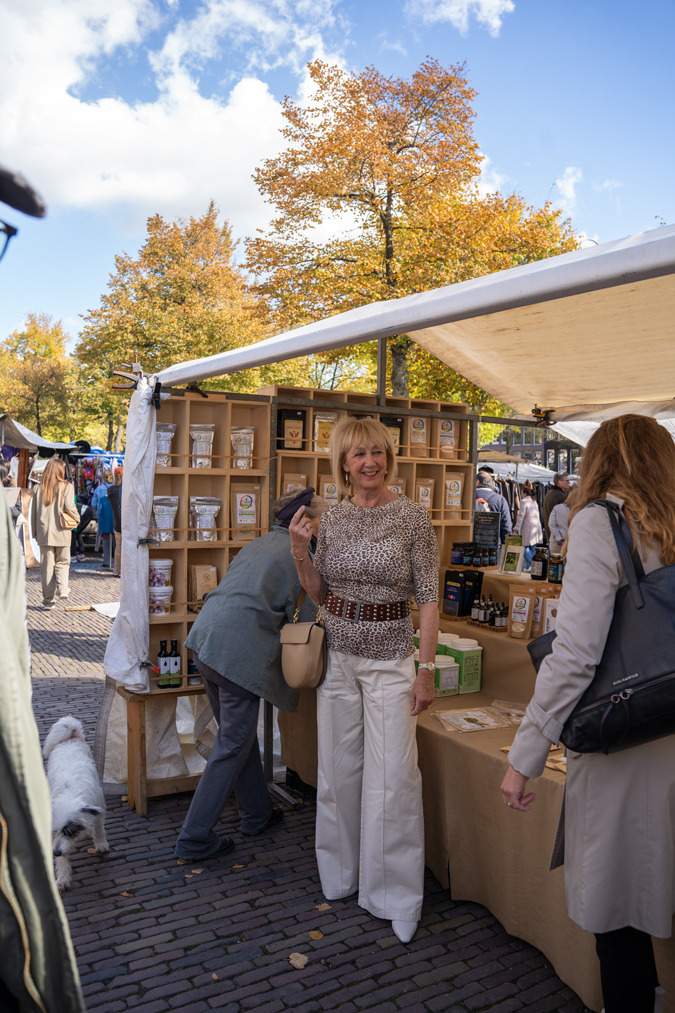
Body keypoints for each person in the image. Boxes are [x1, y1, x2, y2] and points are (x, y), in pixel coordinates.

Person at [500, 415, 675, 1013]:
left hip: (627, 738)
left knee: (620, 912)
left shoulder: (601, 522)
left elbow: (575, 653)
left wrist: (524, 755)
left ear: (601, 460)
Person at [289, 417, 439, 944]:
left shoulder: (413, 518)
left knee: (394, 778)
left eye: (376, 452)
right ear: (343, 464)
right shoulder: (331, 518)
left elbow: (429, 598)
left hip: (392, 659)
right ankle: (342, 875)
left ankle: (395, 895)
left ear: (388, 458)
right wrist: (301, 552)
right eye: (357, 455)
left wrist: (426, 670)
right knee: (337, 771)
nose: (368, 462)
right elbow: (318, 594)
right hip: (339, 659)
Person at [175, 488, 326, 861]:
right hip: (235, 655)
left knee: (237, 739)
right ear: (305, 523)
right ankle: (194, 838)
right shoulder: (299, 555)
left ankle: (256, 813)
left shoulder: (259, 543)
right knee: (233, 744)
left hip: (206, 643)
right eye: (324, 521)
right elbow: (311, 621)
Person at [31, 457, 78, 608]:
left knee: (47, 567)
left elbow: (33, 513)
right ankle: (63, 589)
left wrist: (35, 532)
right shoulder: (67, 487)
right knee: (63, 562)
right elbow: (70, 507)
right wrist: (77, 518)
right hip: (63, 531)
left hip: (44, 533)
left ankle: (48, 600)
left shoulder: (38, 488)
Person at [475, 472, 512, 546]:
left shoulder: (469, 496)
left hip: (472, 543)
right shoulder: (500, 499)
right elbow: (506, 526)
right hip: (493, 544)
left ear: (477, 482)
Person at [514, 486, 543, 571]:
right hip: (536, 528)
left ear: (524, 493)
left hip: (527, 528)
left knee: (524, 547)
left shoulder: (523, 501)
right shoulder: (534, 502)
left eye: (522, 493)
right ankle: (531, 567)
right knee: (532, 548)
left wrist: (516, 528)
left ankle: (530, 565)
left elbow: (521, 516)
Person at [92, 469, 114, 569]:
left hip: (104, 516)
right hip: (116, 516)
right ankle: (117, 561)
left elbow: (93, 503)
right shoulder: (117, 487)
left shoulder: (99, 489)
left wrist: (100, 507)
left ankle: (106, 561)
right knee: (117, 539)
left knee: (106, 538)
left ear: (103, 477)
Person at [542, 471, 569, 541]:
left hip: (551, 534)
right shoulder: (561, 496)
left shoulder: (549, 493)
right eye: (567, 481)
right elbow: (564, 517)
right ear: (560, 482)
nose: (569, 483)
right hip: (559, 536)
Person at [548, 488, 575, 555]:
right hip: (570, 543)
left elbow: (551, 525)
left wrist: (559, 538)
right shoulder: (578, 510)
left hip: (557, 543)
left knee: (555, 563)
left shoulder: (557, 508)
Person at [107, 468, 123, 577]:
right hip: (126, 522)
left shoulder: (110, 490)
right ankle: (125, 571)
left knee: (118, 547)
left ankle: (117, 570)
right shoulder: (126, 489)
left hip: (117, 522)